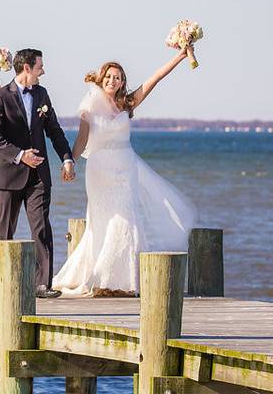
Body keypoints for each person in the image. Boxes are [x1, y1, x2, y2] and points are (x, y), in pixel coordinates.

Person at [52, 50, 197, 296]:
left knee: (127, 221)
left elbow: (155, 79)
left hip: (125, 167)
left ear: (122, 82)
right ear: (102, 78)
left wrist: (181, 56)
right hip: (100, 171)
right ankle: (101, 280)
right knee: (103, 223)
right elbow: (82, 138)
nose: (113, 81)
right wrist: (70, 162)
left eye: (118, 77)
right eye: (109, 76)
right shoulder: (90, 103)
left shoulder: (127, 103)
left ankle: (123, 283)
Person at [0, 48, 74, 299]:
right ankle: (4, 279)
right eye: (39, 67)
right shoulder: (1, 97)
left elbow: (54, 130)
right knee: (5, 228)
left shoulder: (42, 93)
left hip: (38, 176)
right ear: (26, 68)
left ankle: (42, 284)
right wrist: (21, 154)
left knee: (41, 228)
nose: (43, 71)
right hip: (9, 173)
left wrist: (67, 158)